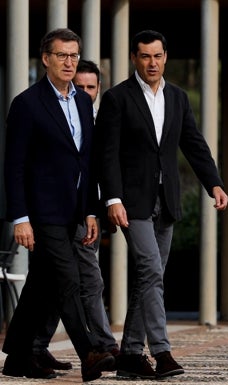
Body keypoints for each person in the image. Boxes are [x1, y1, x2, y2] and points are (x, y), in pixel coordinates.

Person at [94, 29, 228, 379]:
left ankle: (130, 355)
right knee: (151, 270)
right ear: (134, 59)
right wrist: (113, 198)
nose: (151, 62)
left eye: (157, 55)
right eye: (144, 56)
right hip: (131, 203)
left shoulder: (179, 98)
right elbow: (106, 155)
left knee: (148, 276)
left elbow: (194, 144)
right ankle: (163, 351)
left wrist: (213, 183)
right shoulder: (117, 98)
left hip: (165, 200)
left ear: (165, 57)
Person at [2, 28, 116, 382]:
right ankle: (90, 353)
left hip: (74, 210)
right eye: (62, 55)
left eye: (73, 55)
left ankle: (19, 357)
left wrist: (91, 210)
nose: (69, 62)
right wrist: (20, 218)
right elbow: (14, 165)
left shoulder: (83, 102)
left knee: (42, 284)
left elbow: (87, 162)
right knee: (67, 280)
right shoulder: (27, 104)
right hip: (41, 211)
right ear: (46, 59)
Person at [30, 59, 120, 373]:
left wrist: (98, 210)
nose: (84, 91)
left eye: (90, 87)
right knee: (73, 279)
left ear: (98, 89)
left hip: (85, 213)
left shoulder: (94, 117)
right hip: (53, 212)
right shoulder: (42, 107)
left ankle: (29, 350)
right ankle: (96, 348)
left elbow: (99, 168)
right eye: (79, 85)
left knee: (51, 282)